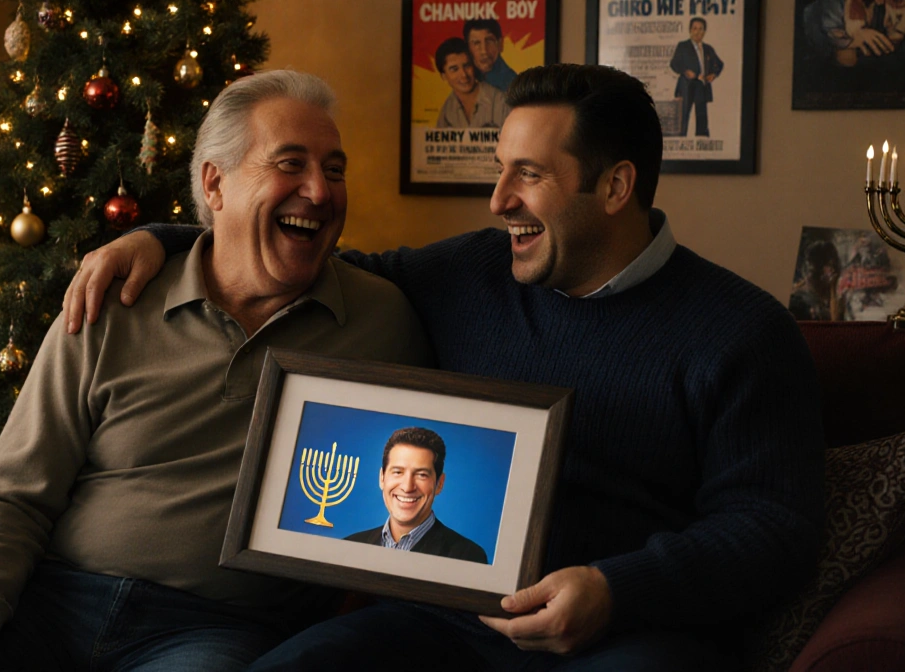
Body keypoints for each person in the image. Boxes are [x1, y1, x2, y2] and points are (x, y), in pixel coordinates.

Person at [66, 63, 825, 670]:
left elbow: (775, 528)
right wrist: (162, 240)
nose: (498, 202)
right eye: (500, 171)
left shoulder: (741, 331)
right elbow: (308, 256)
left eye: (529, 175)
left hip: (627, 633)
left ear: (616, 187)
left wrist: (614, 590)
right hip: (442, 626)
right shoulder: (471, 274)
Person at [0, 71, 432, 672]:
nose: (321, 191)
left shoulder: (381, 322)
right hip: (44, 605)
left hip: (215, 631)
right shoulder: (112, 300)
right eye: (290, 164)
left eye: (335, 170)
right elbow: (12, 493)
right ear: (215, 183)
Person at [344, 427, 488, 564]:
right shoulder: (350, 546)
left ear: (439, 484)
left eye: (421, 475)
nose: (407, 487)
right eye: (398, 472)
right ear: (382, 478)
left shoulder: (468, 557)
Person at [434, 37, 509, 128]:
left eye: (467, 65)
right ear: (444, 76)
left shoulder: (499, 100)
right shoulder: (446, 111)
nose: (464, 75)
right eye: (454, 69)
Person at [669, 17, 724, 137]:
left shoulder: (708, 49)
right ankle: (680, 140)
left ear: (704, 31)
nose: (698, 32)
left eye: (701, 29)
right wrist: (685, 71)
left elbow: (719, 64)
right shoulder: (683, 46)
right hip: (686, 85)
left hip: (701, 87)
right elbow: (674, 64)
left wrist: (713, 74)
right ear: (690, 30)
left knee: (702, 117)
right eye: (695, 29)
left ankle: (702, 140)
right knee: (683, 115)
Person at [464, 18, 517, 92]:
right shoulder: (464, 78)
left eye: (489, 41)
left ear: (500, 44)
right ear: (467, 48)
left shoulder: (513, 85)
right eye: (476, 43)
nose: (484, 51)